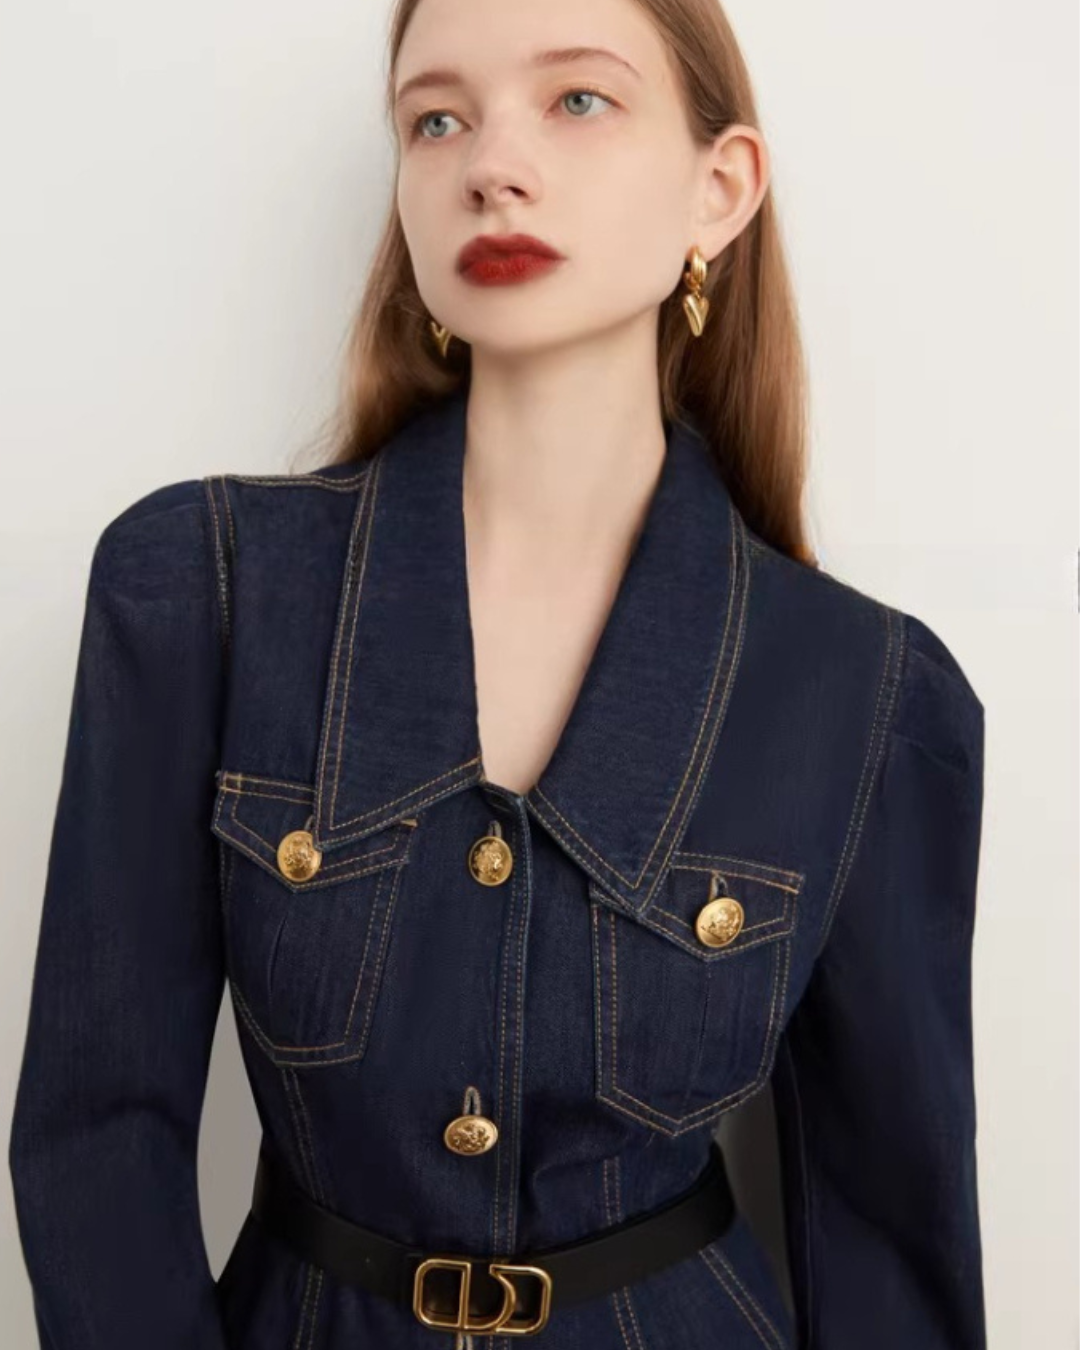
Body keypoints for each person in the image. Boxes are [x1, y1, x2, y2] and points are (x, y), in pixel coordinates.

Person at [8, 0, 988, 1345]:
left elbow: (888, 1236)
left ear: (719, 189)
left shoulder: (870, 697)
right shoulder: (203, 595)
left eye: (578, 100)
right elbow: (96, 1135)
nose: (491, 166)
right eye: (437, 119)